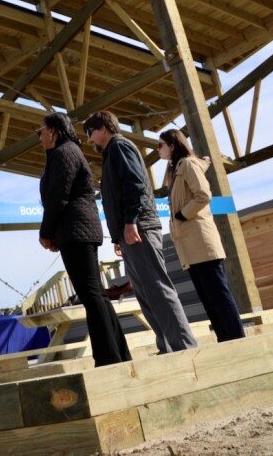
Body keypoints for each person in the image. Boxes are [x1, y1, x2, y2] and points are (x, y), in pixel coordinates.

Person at [83, 111, 197, 354]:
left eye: (90, 132)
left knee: (158, 290)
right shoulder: (112, 152)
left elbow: (135, 185)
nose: (89, 139)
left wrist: (131, 222)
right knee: (146, 295)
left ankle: (186, 349)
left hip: (140, 228)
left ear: (103, 129)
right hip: (130, 232)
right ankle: (168, 348)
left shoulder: (120, 147)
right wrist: (118, 236)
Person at [37, 112, 131, 366]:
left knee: (90, 294)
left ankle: (108, 358)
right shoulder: (65, 152)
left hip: (76, 230)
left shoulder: (64, 153)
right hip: (77, 230)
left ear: (52, 131)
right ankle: (117, 354)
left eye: (40, 131)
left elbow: (58, 197)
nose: (39, 137)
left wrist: (45, 232)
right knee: (95, 293)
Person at [158, 129, 245, 342]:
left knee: (218, 296)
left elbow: (204, 195)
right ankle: (226, 341)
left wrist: (183, 214)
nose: (158, 149)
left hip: (201, 241)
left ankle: (237, 339)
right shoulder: (175, 170)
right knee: (209, 299)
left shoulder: (188, 165)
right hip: (190, 244)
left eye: (160, 145)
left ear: (172, 145)